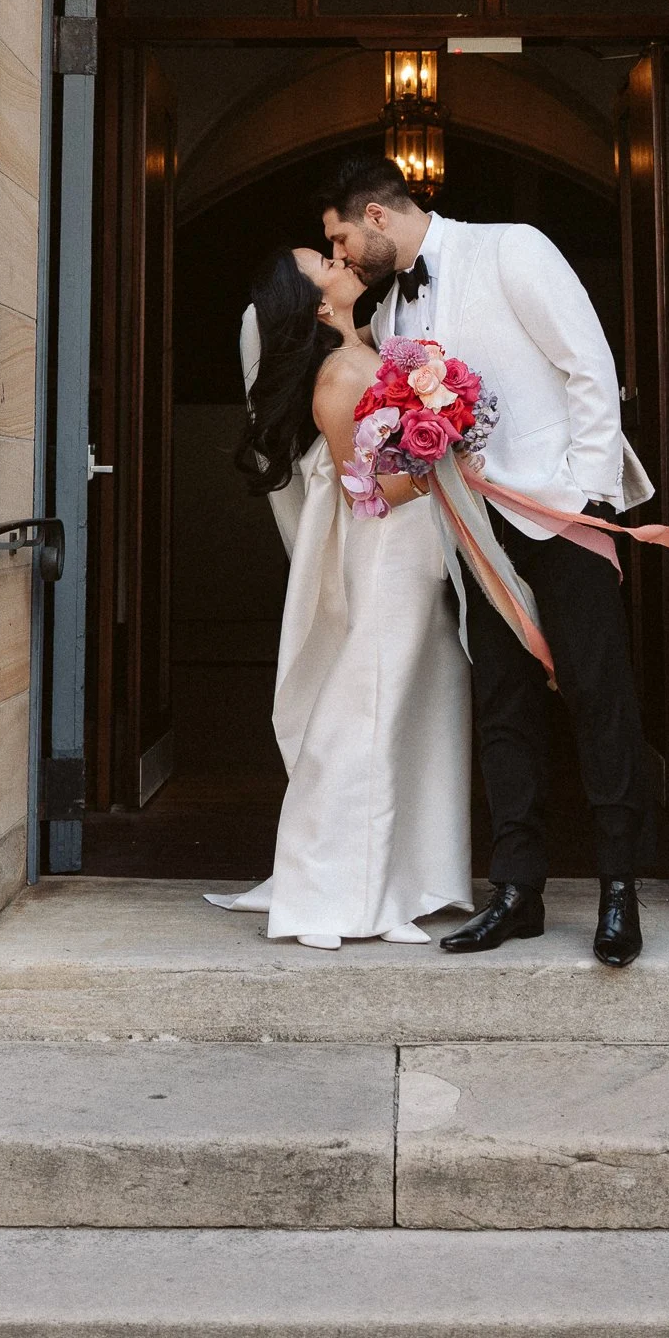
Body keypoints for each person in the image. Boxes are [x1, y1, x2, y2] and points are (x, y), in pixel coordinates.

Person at [322, 154, 656, 968]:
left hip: (561, 514)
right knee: (502, 706)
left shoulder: (514, 249)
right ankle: (519, 891)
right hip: (471, 527)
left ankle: (619, 889)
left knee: (599, 697)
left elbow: (589, 364)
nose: (337, 254)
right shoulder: (393, 314)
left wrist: (592, 496)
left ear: (374, 217)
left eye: (337, 236)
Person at [210, 245, 472, 948]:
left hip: (413, 552)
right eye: (321, 261)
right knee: (371, 710)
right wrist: (446, 447)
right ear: (313, 302)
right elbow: (367, 491)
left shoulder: (376, 352)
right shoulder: (340, 373)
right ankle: (341, 893)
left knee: (416, 705)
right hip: (388, 553)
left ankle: (402, 879)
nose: (339, 257)